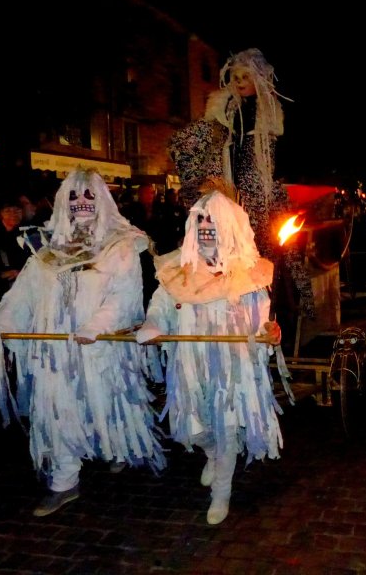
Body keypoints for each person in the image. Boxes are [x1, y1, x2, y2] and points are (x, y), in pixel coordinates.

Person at [0, 169, 166, 517]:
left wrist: (97, 325)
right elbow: (22, 297)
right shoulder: (45, 253)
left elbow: (124, 298)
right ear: (63, 203)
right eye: (73, 197)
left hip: (101, 351)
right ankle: (64, 480)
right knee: (59, 410)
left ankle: (116, 446)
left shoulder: (120, 248)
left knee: (107, 405)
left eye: (89, 196)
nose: (81, 204)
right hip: (54, 355)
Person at [136, 186, 283, 525]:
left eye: (213, 221)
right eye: (201, 219)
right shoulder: (178, 271)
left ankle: (222, 492)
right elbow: (160, 308)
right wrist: (153, 325)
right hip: (189, 366)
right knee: (188, 430)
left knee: (227, 427)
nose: (206, 227)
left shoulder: (249, 275)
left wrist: (269, 333)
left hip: (232, 370)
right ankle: (213, 454)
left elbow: (262, 321)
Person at [169, 48, 315, 320]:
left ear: (259, 77)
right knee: (225, 250)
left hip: (261, 194)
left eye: (245, 75)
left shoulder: (271, 114)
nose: (238, 80)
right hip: (228, 193)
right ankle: (227, 313)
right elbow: (190, 143)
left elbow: (279, 161)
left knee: (267, 250)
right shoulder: (222, 112)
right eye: (235, 76)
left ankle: (271, 313)